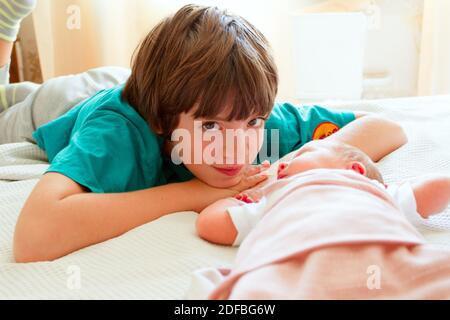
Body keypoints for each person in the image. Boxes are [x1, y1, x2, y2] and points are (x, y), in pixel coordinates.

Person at [0, 4, 407, 263]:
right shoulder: (117, 134)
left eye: (251, 123)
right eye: (210, 126)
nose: (236, 147)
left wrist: (287, 168)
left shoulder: (251, 119)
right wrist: (197, 193)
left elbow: (385, 126)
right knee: (12, 108)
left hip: (156, 86)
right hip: (60, 103)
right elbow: (34, 238)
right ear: (162, 121)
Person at [196, 139, 450, 246]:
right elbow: (211, 227)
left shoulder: (374, 192)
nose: (281, 165)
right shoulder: (276, 199)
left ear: (354, 171)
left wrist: (229, 202)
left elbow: (436, 189)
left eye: (303, 154)